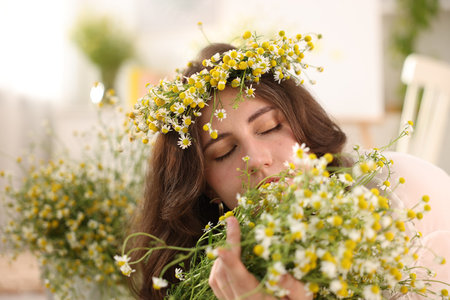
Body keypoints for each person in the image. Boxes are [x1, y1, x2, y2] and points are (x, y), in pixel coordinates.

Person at [127, 38, 450, 299]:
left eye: (269, 127)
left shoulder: (405, 197)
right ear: (206, 186)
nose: (256, 159)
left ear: (303, 127)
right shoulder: (215, 278)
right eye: (224, 152)